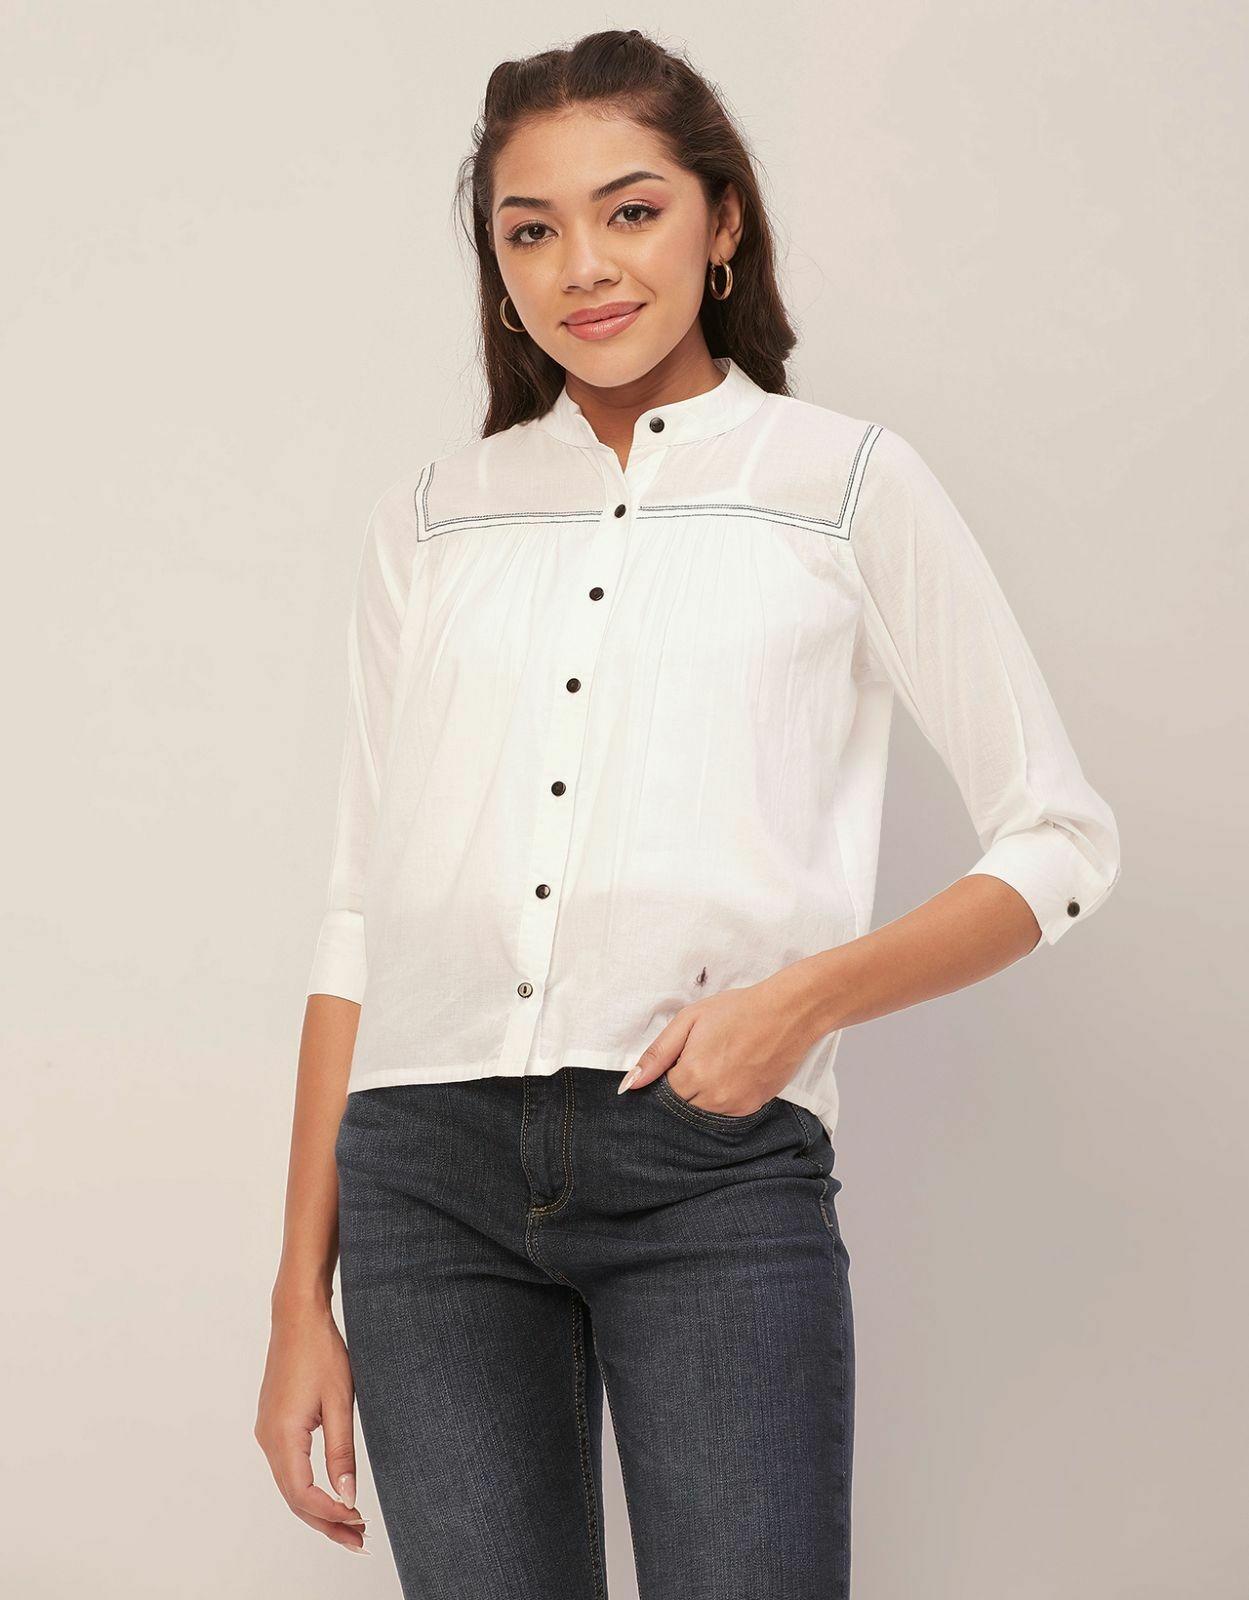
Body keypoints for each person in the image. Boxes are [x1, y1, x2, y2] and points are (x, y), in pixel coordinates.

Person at [254, 28, 1121, 1600]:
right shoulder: (432, 521)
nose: (583, 266)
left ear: (721, 222)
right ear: (496, 266)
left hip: (708, 1164)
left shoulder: (842, 485)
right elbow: (359, 916)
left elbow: (1058, 841)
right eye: (531, 229)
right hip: (422, 1186)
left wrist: (798, 1004)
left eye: (632, 210)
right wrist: (294, 1302)